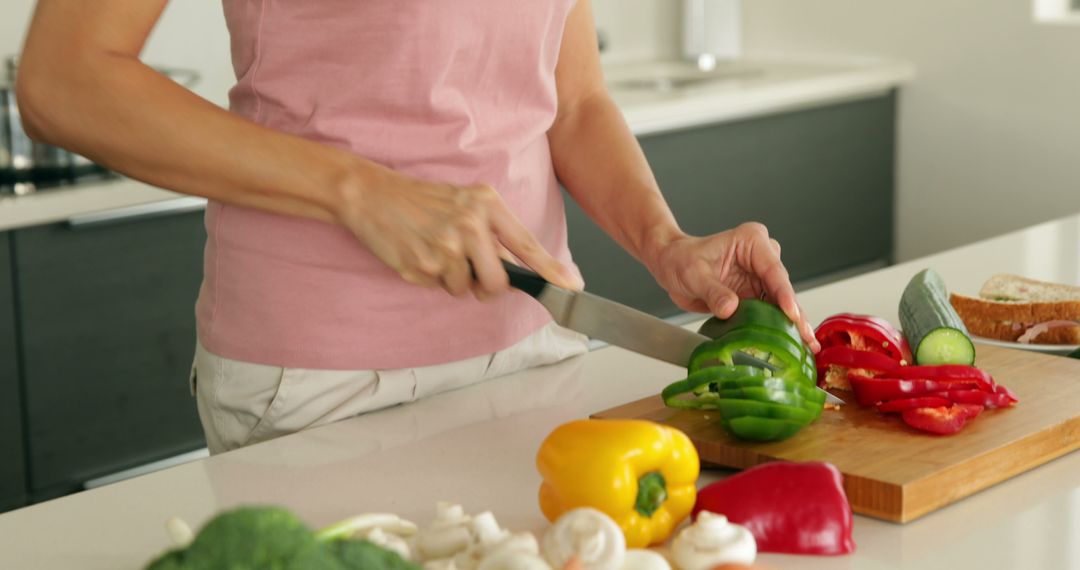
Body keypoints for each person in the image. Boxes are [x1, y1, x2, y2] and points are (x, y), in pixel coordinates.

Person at [17, 0, 819, 454]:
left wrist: (663, 241)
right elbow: (63, 81)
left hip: (535, 345)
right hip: (323, 382)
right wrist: (360, 191)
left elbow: (571, 101)